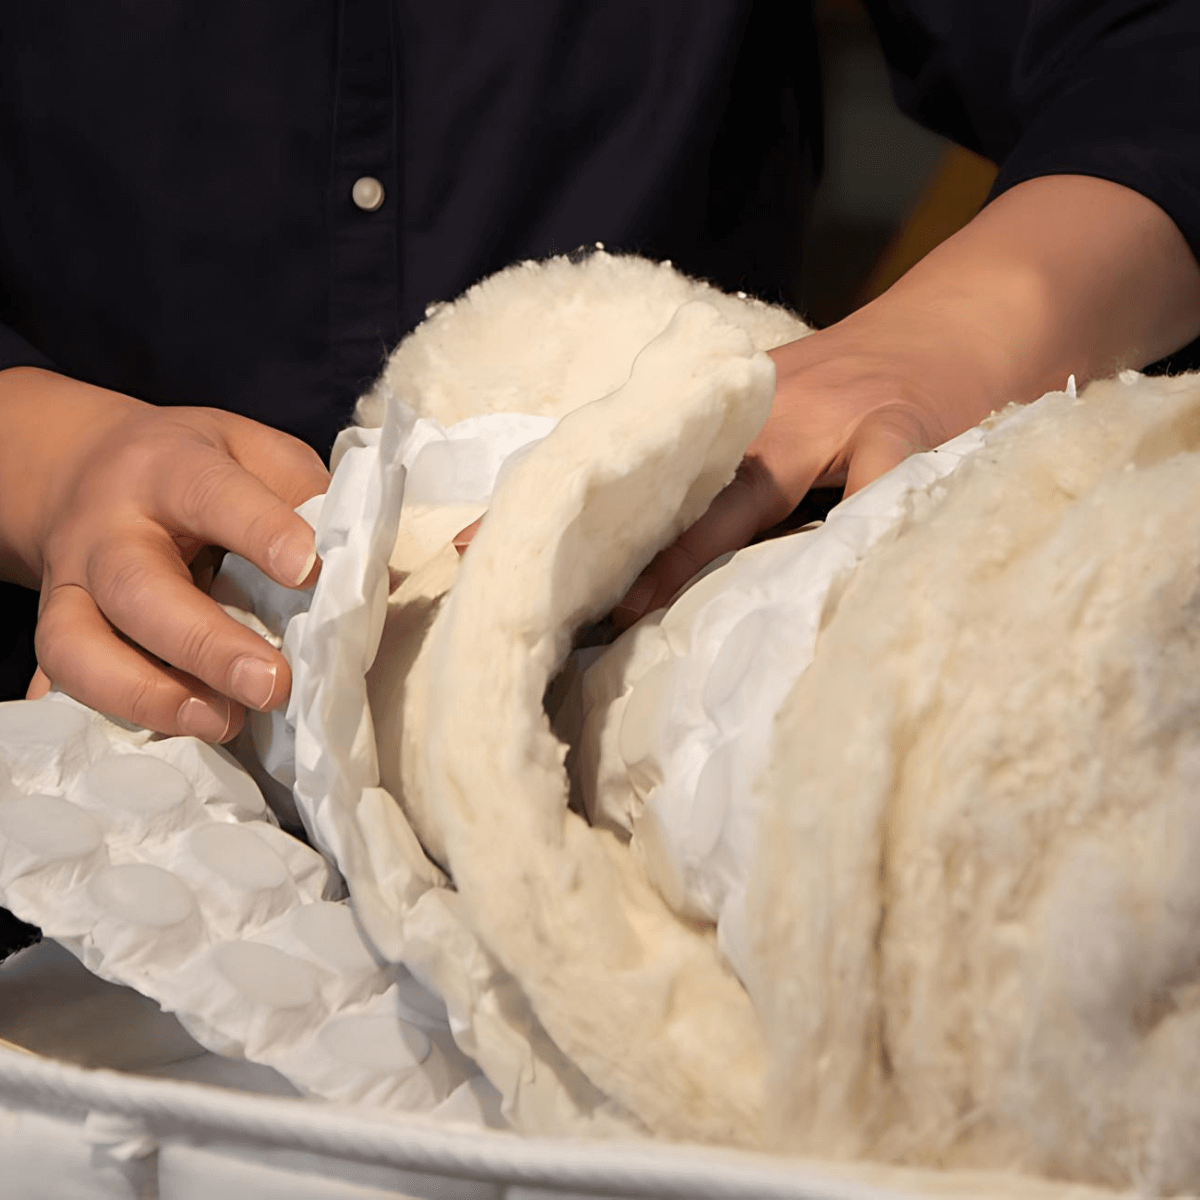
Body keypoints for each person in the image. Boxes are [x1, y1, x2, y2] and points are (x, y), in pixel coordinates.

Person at [0, 1, 1197, 743]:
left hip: (683, 692)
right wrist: (49, 462)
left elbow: (1151, 41)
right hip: (70, 744)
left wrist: (973, 323)